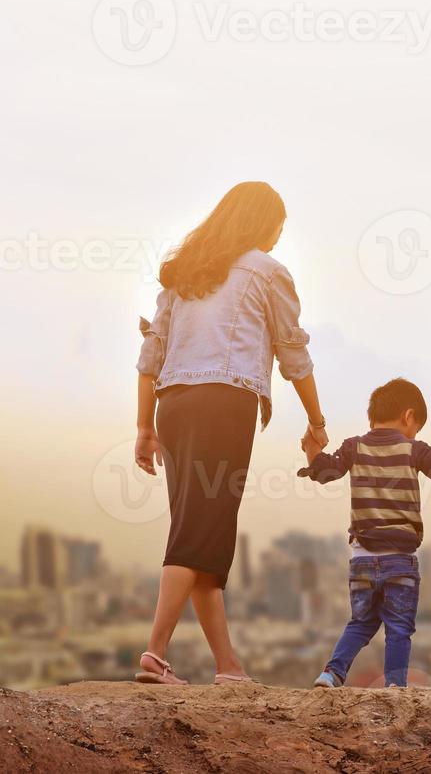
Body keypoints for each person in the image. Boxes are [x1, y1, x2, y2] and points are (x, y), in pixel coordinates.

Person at [133, 181, 328, 685]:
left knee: (203, 533)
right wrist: (316, 420)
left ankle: (229, 668)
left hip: (173, 407)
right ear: (262, 223)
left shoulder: (185, 273)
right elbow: (293, 352)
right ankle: (154, 654)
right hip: (224, 404)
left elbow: (151, 355)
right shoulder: (267, 272)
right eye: (277, 227)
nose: (278, 239)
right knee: (199, 534)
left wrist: (142, 427)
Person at [298, 378, 431, 688]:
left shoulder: (355, 446)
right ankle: (394, 685)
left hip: (362, 560)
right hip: (400, 561)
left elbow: (327, 472)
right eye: (416, 426)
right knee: (399, 627)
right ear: (408, 417)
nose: (414, 433)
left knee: (361, 623)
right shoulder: (413, 449)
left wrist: (312, 453)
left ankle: (331, 673)